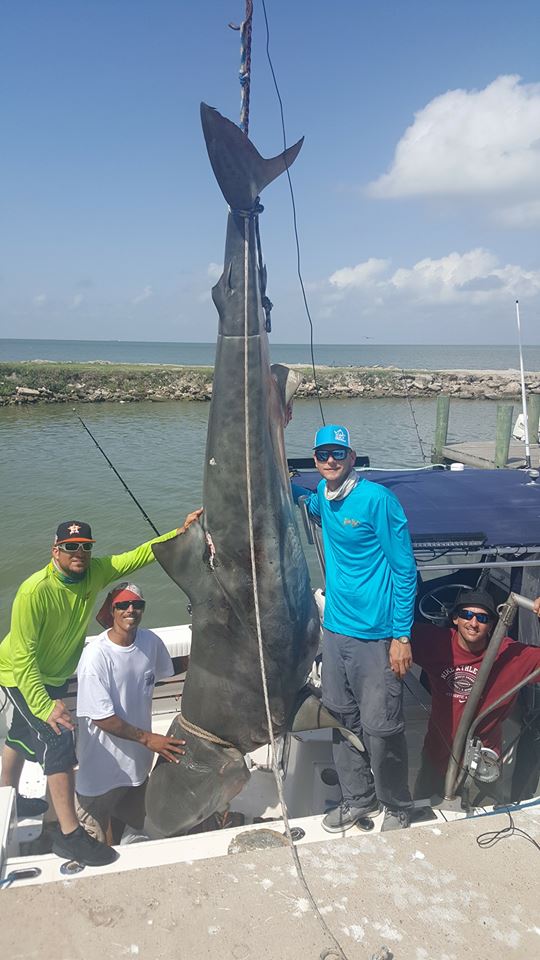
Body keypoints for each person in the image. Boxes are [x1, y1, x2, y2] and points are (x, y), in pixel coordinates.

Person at [0, 510, 201, 866]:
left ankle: (8, 794)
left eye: (85, 547)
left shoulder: (94, 572)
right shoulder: (34, 592)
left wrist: (179, 532)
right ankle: (70, 836)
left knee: (17, 737)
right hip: (18, 672)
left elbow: (139, 555)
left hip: (56, 673)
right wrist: (46, 706)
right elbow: (24, 657)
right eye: (70, 546)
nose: (78, 552)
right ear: (55, 550)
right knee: (57, 738)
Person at [292, 425, 417, 832]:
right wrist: (286, 481)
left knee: (382, 727)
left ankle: (396, 804)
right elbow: (303, 498)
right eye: (323, 454)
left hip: (377, 638)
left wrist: (401, 636)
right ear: (315, 459)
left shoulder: (378, 500)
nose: (330, 460)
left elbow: (405, 570)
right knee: (341, 720)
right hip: (336, 632)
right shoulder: (323, 500)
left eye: (338, 454)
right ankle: (358, 798)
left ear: (352, 457)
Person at [75, 582, 184, 844]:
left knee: (129, 828)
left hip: (137, 767)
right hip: (101, 772)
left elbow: (166, 668)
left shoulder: (150, 642)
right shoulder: (95, 657)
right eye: (123, 605)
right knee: (94, 843)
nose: (130, 610)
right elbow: (102, 718)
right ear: (111, 610)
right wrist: (150, 740)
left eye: (137, 605)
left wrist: (207, 656)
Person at [411, 588, 540, 802]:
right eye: (466, 615)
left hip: (484, 762)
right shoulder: (436, 642)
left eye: (482, 618)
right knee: (420, 818)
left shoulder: (510, 654)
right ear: (455, 618)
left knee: (487, 822)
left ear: (492, 625)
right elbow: (388, 630)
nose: (473, 623)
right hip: (436, 755)